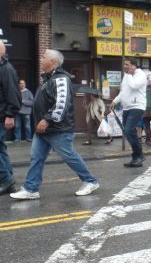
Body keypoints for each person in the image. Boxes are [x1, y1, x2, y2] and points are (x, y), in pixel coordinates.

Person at [10, 49, 99, 200]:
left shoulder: (60, 79)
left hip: (58, 129)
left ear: (53, 61)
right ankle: (31, 189)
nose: (41, 59)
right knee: (36, 158)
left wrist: (47, 119)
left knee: (69, 156)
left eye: (44, 56)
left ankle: (90, 181)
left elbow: (61, 104)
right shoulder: (48, 79)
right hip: (44, 129)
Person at [110, 58, 147, 167]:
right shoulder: (127, 76)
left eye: (127, 64)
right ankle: (137, 156)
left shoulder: (140, 75)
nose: (125, 66)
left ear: (133, 66)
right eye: (124, 64)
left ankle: (139, 155)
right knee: (127, 132)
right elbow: (123, 91)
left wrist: (129, 74)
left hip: (137, 106)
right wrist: (115, 101)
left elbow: (134, 85)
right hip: (126, 108)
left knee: (129, 130)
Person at [0, 41, 21, 195]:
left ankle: (6, 180)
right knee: (1, 148)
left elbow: (13, 94)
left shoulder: (6, 69)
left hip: (2, 115)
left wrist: (10, 115)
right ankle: (9, 179)